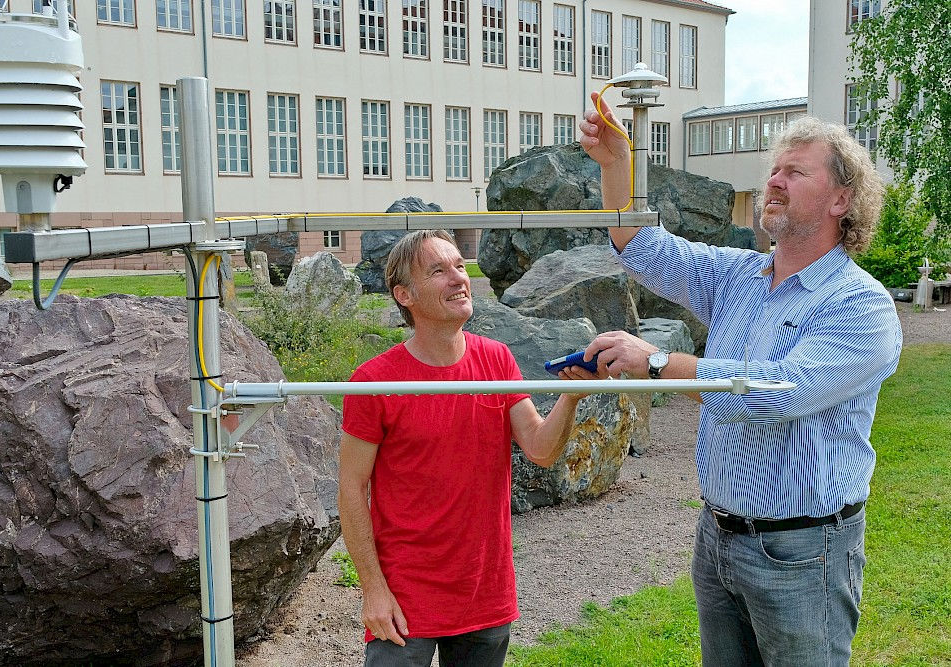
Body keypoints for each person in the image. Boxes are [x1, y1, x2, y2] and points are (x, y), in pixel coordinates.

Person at [578, 93, 902, 665]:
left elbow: (778, 392)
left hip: (803, 551)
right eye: (774, 169)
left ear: (841, 200)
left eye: (795, 172)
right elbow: (640, 247)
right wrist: (614, 167)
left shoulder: (861, 306)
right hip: (719, 538)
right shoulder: (740, 276)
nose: (774, 181)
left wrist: (658, 362)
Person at [338, 229, 602, 666]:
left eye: (460, 265)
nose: (459, 278)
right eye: (438, 271)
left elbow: (540, 449)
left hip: (485, 588)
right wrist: (373, 588)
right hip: (405, 594)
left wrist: (571, 396)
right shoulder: (374, 382)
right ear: (404, 295)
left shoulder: (496, 359)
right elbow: (351, 488)